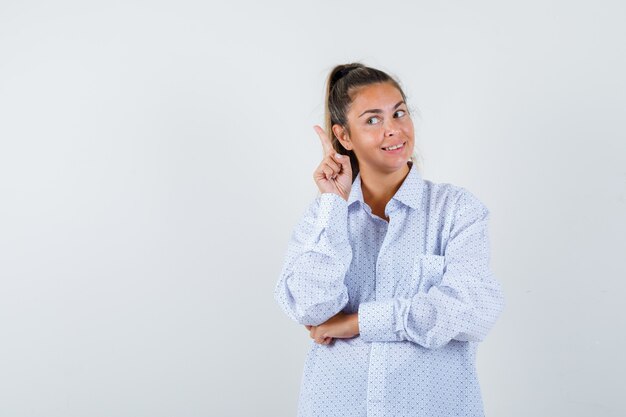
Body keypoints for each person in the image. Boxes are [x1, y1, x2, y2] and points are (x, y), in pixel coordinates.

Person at [274, 63, 505, 417]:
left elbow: (473, 310)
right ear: (344, 137)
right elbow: (310, 308)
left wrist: (358, 322)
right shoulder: (322, 218)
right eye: (372, 120)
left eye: (399, 113)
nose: (394, 130)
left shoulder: (456, 210)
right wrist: (333, 205)